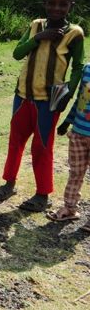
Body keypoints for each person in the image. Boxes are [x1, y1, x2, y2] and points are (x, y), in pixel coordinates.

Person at [0, 0, 84, 212]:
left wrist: (67, 94)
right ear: (45, 4)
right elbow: (17, 53)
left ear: (70, 7)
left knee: (42, 146)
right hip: (22, 96)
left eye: (62, 4)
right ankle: (9, 183)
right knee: (15, 142)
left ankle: (43, 194)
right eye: (51, 3)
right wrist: (39, 37)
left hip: (50, 100)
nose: (56, 8)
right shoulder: (36, 26)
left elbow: (78, 67)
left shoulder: (74, 33)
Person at [48, 61, 90, 232]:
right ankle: (70, 208)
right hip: (79, 133)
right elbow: (81, 98)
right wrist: (68, 121)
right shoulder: (87, 69)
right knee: (75, 173)